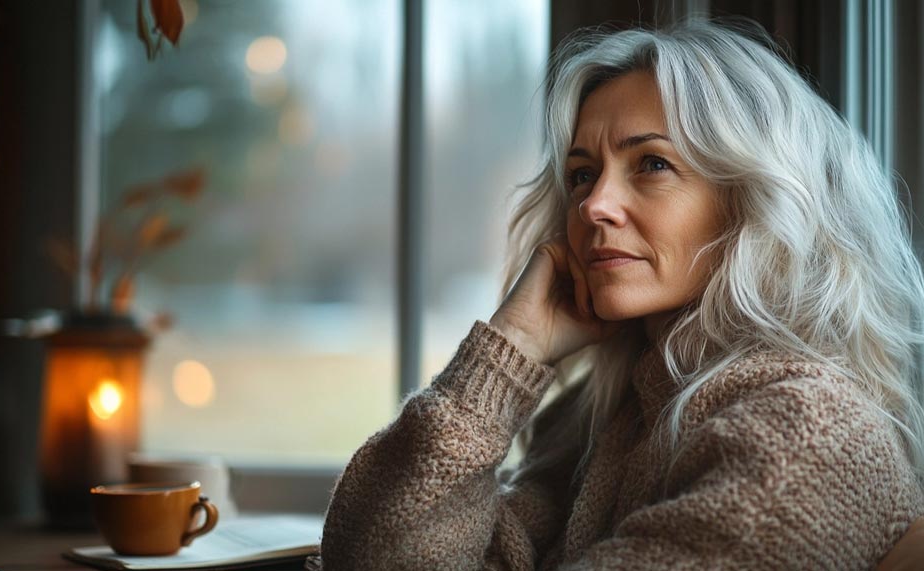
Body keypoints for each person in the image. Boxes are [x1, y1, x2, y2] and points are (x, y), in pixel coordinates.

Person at [318, 19, 924, 570]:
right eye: (583, 173)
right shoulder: (601, 420)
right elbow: (376, 558)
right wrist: (509, 352)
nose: (593, 205)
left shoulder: (806, 431)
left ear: (756, 202)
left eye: (652, 164)